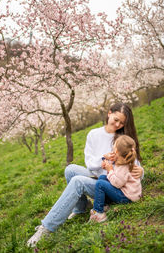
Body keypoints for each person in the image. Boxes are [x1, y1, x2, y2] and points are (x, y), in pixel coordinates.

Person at [27, 102, 143, 248]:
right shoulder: (93, 134)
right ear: (109, 113)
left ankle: (47, 227)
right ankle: (81, 208)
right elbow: (89, 164)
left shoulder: (123, 139)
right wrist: (103, 158)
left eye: (122, 123)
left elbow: (134, 165)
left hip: (113, 185)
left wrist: (141, 171)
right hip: (99, 176)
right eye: (116, 119)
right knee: (70, 169)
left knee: (77, 182)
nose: (118, 124)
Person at [89, 135, 142, 223]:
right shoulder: (124, 160)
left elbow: (117, 183)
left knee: (100, 184)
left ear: (116, 151)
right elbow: (117, 177)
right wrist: (108, 163)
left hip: (126, 197)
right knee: (102, 177)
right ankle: (104, 204)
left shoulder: (124, 166)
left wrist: (110, 170)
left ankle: (99, 213)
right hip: (125, 190)